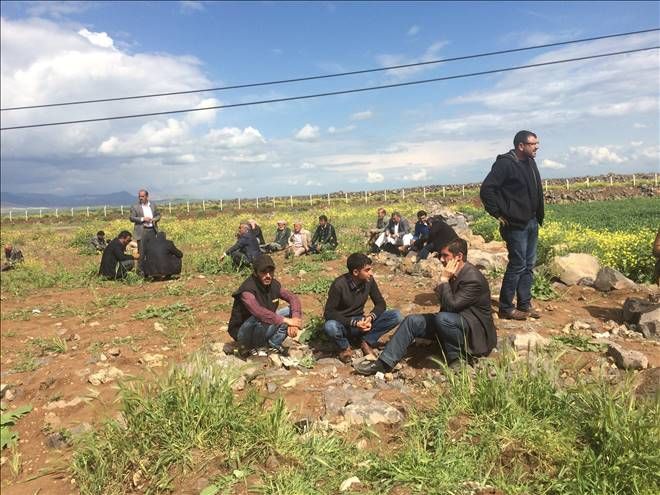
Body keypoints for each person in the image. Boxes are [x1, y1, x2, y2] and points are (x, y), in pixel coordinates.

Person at [355, 238, 497, 376]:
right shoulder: (455, 273)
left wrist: (444, 280)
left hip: (474, 332)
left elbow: (451, 306)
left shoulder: (472, 278)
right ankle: (384, 363)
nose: (441, 259)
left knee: (443, 319)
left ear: (459, 256)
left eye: (445, 256)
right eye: (441, 255)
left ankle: (457, 359)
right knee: (412, 321)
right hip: (455, 321)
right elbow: (447, 305)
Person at [480, 130, 544, 321]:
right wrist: (498, 213)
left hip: (532, 221)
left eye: (537, 143)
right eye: (533, 144)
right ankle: (506, 308)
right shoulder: (505, 164)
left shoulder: (530, 162)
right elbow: (487, 190)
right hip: (515, 224)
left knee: (529, 265)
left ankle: (524, 305)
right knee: (517, 264)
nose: (537, 147)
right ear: (521, 146)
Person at [323, 253, 403, 363]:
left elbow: (380, 303)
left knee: (396, 316)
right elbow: (329, 313)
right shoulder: (339, 285)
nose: (371, 273)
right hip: (344, 325)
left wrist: (370, 317)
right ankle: (345, 347)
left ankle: (366, 342)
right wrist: (353, 323)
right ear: (355, 272)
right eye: (367, 270)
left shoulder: (369, 281)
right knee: (330, 326)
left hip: (361, 322)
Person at [228, 254, 303, 355]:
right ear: (255, 273)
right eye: (263, 272)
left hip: (263, 328)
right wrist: (287, 320)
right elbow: (259, 312)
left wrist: (294, 320)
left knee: (292, 310)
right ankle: (254, 347)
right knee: (258, 317)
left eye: (270, 272)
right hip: (244, 332)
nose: (268, 275)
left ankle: (274, 343)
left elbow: (293, 298)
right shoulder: (247, 290)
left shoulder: (274, 285)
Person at [129, 189, 161, 273]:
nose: (140, 198)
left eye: (142, 196)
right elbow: (131, 218)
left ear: (147, 196)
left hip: (152, 230)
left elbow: (158, 215)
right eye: (139, 196)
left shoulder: (153, 205)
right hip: (142, 231)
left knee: (153, 251)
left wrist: (154, 219)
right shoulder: (135, 206)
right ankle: (141, 272)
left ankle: (153, 271)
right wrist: (143, 219)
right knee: (142, 252)